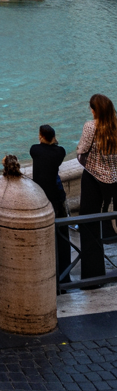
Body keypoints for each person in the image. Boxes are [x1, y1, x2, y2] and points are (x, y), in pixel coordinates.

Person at [76, 94, 117, 278]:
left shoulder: (90, 126)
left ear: (95, 110)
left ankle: (93, 276)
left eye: (91, 108)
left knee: (89, 223)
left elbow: (81, 151)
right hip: (115, 179)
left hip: (93, 178)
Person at [30, 125, 70, 282]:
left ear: (40, 137)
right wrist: (53, 141)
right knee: (61, 235)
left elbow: (40, 148)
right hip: (56, 196)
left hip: (40, 197)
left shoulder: (34, 150)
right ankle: (64, 275)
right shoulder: (60, 152)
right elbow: (55, 147)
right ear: (53, 137)